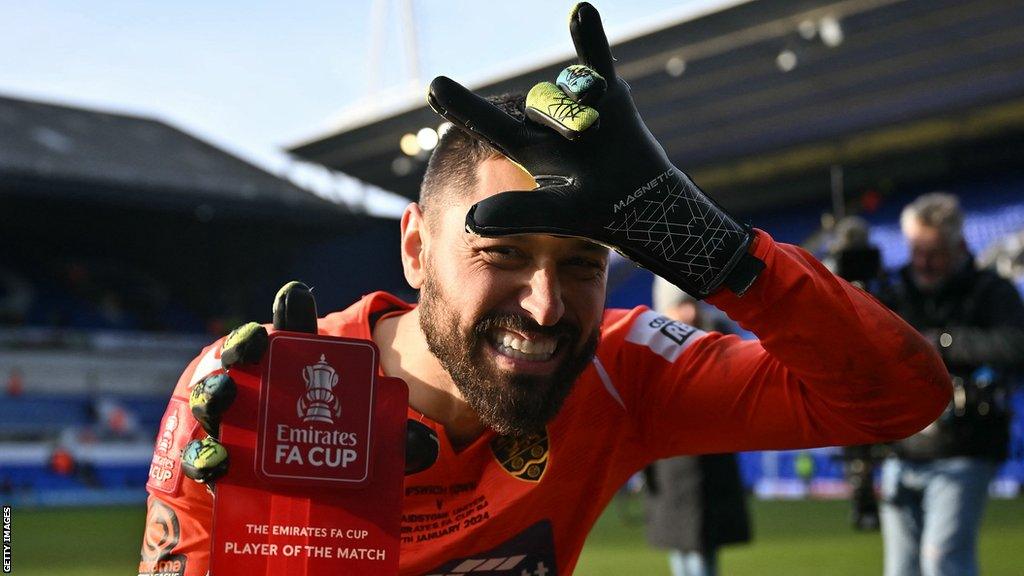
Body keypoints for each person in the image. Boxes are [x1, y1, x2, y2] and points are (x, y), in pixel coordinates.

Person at [138, 5, 950, 576]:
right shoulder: (260, 390)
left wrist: (707, 244)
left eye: (583, 262)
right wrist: (278, 548)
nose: (547, 305)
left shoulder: (621, 371)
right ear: (417, 249)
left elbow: (899, 399)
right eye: (504, 253)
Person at [879, 192, 1024, 576]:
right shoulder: (893, 290)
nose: (924, 262)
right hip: (903, 446)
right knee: (901, 568)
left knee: (942, 559)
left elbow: (1016, 345)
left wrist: (943, 342)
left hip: (966, 443)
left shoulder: (992, 290)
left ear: (959, 245)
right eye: (917, 250)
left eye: (935, 252)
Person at [644, 278, 750, 576]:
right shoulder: (649, 345)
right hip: (669, 469)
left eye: (691, 303)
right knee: (683, 550)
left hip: (709, 467)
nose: (688, 313)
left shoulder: (718, 337)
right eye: (680, 306)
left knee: (703, 550)